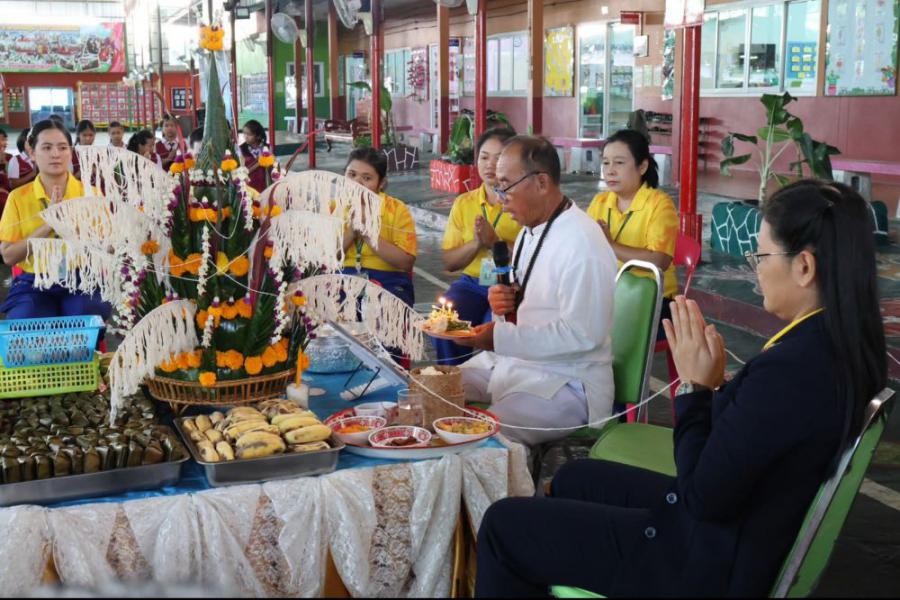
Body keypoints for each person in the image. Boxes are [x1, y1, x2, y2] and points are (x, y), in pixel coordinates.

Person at [474, 180, 887, 597]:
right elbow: (757, 439)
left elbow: (702, 497)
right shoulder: (841, 345)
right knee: (576, 478)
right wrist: (719, 386)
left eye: (761, 255)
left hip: (699, 563)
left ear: (804, 267)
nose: (755, 268)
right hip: (739, 529)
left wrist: (694, 390)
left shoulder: (790, 372)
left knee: (502, 526)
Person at [455, 136, 617, 446]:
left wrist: (499, 337)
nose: (501, 199)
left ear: (541, 182)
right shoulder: (530, 229)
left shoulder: (582, 243)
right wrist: (503, 302)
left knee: (482, 435)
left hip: (567, 379)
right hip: (515, 361)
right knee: (429, 387)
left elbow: (583, 335)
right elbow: (528, 300)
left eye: (506, 187)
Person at [0, 119, 113, 321]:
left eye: (62, 147)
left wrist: (76, 231)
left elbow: (108, 249)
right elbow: (9, 257)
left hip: (80, 278)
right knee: (27, 319)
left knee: (85, 313)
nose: (55, 154)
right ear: (32, 152)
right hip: (34, 282)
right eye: (46, 147)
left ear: (70, 152)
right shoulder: (18, 198)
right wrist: (49, 225)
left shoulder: (91, 195)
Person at [435, 126, 520, 365]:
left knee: (491, 334)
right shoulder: (464, 203)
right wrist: (476, 243)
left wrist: (495, 242)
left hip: (512, 285)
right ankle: (450, 377)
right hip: (472, 284)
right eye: (484, 157)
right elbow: (449, 263)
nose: (490, 165)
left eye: (498, 158)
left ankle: (492, 384)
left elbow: (537, 255)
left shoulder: (522, 201)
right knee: (445, 323)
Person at [587, 129, 678, 331]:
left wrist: (610, 245)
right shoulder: (600, 201)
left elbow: (659, 261)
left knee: (594, 332)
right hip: (610, 294)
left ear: (642, 166)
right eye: (606, 163)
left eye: (619, 163)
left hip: (651, 300)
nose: (610, 171)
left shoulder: (659, 204)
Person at [340, 147, 417, 308]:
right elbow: (323, 260)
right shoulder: (333, 207)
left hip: (389, 280)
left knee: (382, 309)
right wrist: (351, 232)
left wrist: (367, 233)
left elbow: (406, 262)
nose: (357, 183)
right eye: (351, 174)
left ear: (381, 183)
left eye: (367, 178)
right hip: (342, 278)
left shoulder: (397, 209)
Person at [239, 119, 268, 193]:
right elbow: (241, 169)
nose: (245, 137)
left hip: (264, 186)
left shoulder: (266, 148)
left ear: (258, 136)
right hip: (249, 188)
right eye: (244, 134)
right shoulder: (241, 149)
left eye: (249, 134)